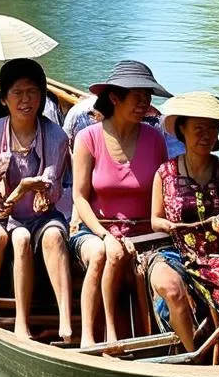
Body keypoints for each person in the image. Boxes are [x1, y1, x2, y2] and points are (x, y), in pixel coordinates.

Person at [0, 59, 72, 341]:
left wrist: (42, 193)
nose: (26, 100)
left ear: (42, 95)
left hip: (38, 217)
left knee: (54, 236)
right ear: (4, 99)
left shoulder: (57, 136)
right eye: (17, 93)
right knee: (3, 237)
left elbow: (55, 184)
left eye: (32, 92)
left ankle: (65, 318)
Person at [70, 60, 171, 347]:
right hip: (96, 231)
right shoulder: (87, 138)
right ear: (114, 98)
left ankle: (159, 335)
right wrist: (107, 235)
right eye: (136, 96)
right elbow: (80, 197)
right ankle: (93, 338)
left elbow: (164, 192)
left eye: (147, 97)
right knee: (106, 254)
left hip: (146, 235)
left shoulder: (155, 139)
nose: (144, 103)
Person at [149, 92, 219, 353]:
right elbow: (155, 220)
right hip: (182, 255)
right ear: (182, 130)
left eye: (212, 129)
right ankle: (195, 352)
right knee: (172, 290)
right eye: (198, 129)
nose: (206, 135)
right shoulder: (166, 172)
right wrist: (170, 226)